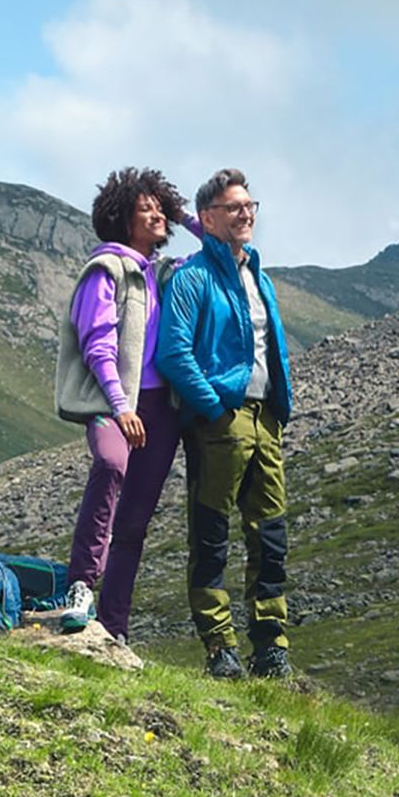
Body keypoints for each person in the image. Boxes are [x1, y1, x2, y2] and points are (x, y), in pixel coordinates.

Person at [155, 166, 295, 677]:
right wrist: (214, 408)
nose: (245, 214)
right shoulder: (192, 278)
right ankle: (220, 648)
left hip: (267, 419)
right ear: (208, 220)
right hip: (223, 421)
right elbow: (174, 353)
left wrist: (280, 403)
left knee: (270, 536)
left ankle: (270, 647)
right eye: (234, 208)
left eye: (250, 206)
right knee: (212, 535)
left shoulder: (259, 276)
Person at [57, 166, 190, 643]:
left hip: (160, 409)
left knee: (134, 522)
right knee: (111, 466)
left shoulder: (161, 273)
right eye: (145, 208)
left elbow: (216, 245)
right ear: (121, 219)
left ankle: (113, 628)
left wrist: (182, 215)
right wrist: (120, 406)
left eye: (160, 207)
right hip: (115, 404)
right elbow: (98, 345)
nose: (156, 213)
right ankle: (79, 586)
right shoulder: (106, 270)